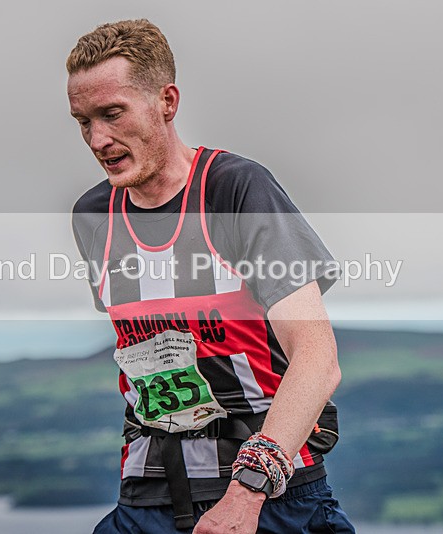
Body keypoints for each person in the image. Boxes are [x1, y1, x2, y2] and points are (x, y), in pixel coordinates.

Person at [67, 19, 355, 534]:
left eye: (112, 114)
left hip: (271, 498)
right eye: (83, 121)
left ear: (167, 101)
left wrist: (248, 493)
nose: (98, 138)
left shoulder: (236, 190)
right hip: (147, 495)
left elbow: (318, 359)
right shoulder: (92, 216)